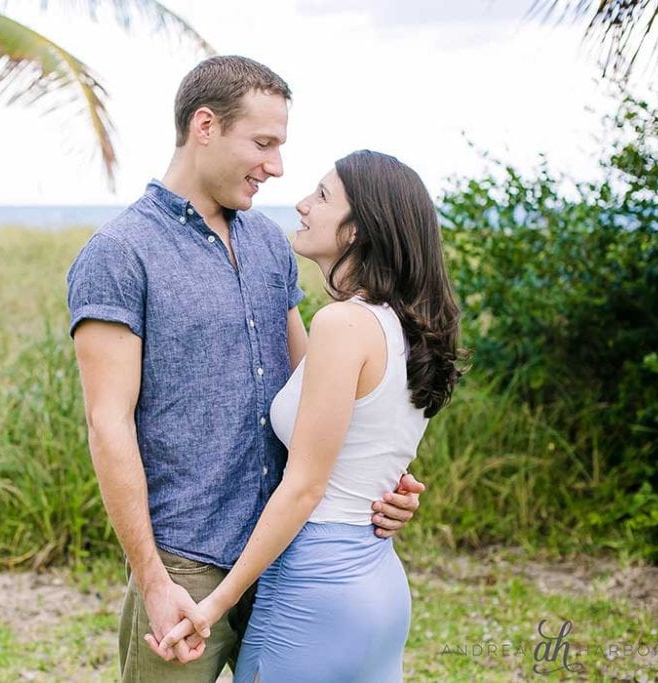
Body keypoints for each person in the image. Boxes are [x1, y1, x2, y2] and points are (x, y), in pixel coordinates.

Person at [66, 56, 426, 683]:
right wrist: (153, 578)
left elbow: (320, 392)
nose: (277, 166)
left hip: (290, 552)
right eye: (262, 143)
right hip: (187, 562)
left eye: (281, 146)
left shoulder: (266, 242)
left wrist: (382, 479)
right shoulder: (120, 253)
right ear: (204, 126)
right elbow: (108, 424)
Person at [149, 150, 464, 682]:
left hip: (315, 586)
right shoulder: (404, 326)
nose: (301, 204)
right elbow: (364, 438)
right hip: (377, 581)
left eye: (322, 196)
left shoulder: (343, 325)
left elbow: (304, 488)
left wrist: (214, 605)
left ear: (357, 231)